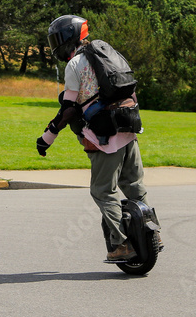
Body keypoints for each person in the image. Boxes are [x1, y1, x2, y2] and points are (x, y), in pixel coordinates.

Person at [36, 14, 150, 262]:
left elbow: (67, 109)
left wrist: (47, 137)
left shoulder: (75, 64)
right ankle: (153, 233)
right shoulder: (107, 52)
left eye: (57, 38)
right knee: (133, 186)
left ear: (69, 36)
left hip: (105, 136)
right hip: (129, 126)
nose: (56, 45)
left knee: (102, 191)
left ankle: (121, 245)